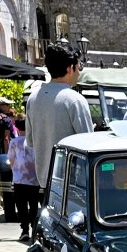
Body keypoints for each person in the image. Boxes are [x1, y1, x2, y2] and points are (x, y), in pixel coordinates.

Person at [26, 40, 94, 186]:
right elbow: (90, 144)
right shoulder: (75, 100)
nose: (79, 71)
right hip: (72, 184)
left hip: (44, 181)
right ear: (70, 68)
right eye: (78, 66)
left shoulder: (33, 98)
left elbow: (30, 141)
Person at [7, 114, 39, 241]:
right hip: (34, 179)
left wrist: (15, 171)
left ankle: (24, 229)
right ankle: (34, 226)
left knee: (21, 205)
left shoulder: (14, 142)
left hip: (19, 179)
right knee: (34, 204)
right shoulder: (35, 142)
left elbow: (11, 159)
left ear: (17, 127)